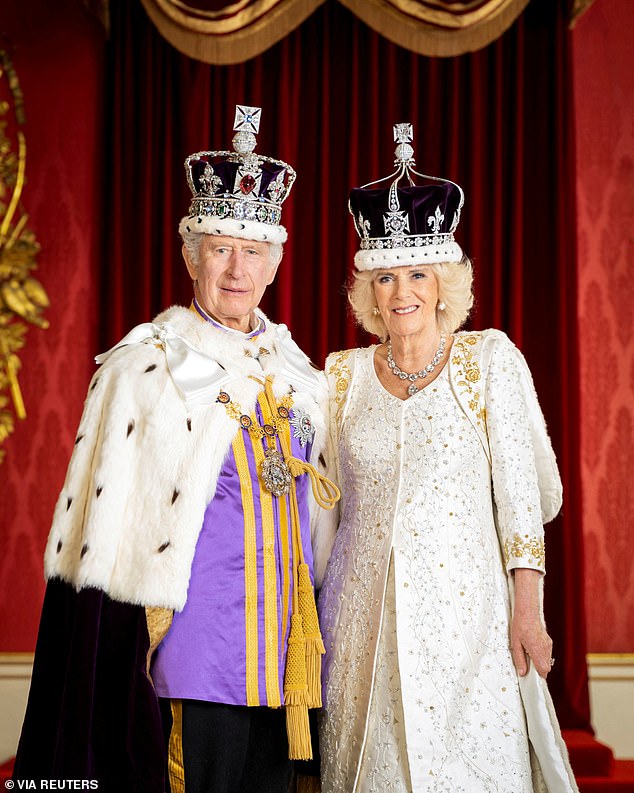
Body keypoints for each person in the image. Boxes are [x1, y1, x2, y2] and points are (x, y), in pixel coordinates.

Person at [14, 105, 338, 793]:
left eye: (252, 251)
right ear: (190, 253)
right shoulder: (147, 367)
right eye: (219, 247)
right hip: (192, 662)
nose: (235, 267)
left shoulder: (300, 378)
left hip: (282, 669)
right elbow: (95, 552)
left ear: (275, 262)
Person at [316, 124, 578, 793]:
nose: (401, 291)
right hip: (360, 631)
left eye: (417, 273)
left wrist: (529, 610)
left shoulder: (488, 360)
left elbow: (523, 498)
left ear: (444, 283)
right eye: (385, 276)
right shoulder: (339, 378)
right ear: (367, 288)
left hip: (471, 630)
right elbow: (321, 508)